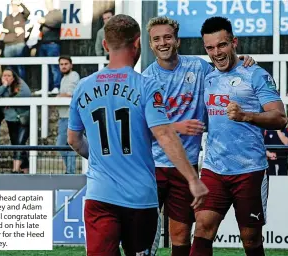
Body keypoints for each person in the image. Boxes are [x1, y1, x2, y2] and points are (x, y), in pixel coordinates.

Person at [67, 14, 208, 256]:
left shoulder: (83, 87)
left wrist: (103, 158)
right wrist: (193, 179)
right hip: (140, 197)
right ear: (138, 44)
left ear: (104, 45)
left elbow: (73, 140)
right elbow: (163, 133)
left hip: (100, 195)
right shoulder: (146, 85)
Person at [143, 16, 255, 256]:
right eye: (156, 39)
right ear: (150, 45)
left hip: (186, 167)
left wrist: (243, 60)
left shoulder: (198, 67)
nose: (163, 43)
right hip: (152, 165)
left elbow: (225, 67)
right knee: (143, 237)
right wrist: (176, 127)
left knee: (181, 235)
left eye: (167, 37)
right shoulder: (145, 79)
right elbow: (140, 127)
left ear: (177, 40)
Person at [190, 16, 286, 256]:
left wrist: (247, 116)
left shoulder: (256, 74)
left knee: (250, 239)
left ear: (234, 42)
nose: (216, 52)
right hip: (214, 169)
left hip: (249, 170)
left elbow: (280, 118)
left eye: (222, 45)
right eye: (210, 47)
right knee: (202, 228)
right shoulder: (207, 77)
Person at [0, 68, 31, 174]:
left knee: (20, 144)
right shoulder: (3, 88)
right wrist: (4, 86)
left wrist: (9, 101)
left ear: (13, 77)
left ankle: (15, 169)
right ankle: (25, 168)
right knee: (16, 145)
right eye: (4, 75)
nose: (6, 78)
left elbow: (27, 94)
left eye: (9, 76)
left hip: (23, 120)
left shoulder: (21, 84)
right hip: (11, 120)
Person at [56, 56, 79, 174]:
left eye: (66, 64)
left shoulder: (74, 75)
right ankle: (70, 171)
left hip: (69, 117)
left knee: (62, 145)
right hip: (63, 116)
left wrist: (58, 97)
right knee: (64, 146)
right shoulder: (64, 78)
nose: (63, 66)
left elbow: (71, 93)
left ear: (71, 65)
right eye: (61, 64)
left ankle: (71, 172)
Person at [36, 0, 63, 94]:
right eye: (46, 3)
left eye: (48, 2)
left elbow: (58, 23)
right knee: (44, 68)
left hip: (52, 44)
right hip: (43, 44)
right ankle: (45, 88)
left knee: (54, 67)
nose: (47, 5)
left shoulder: (57, 13)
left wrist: (45, 21)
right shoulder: (47, 14)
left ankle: (56, 87)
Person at [1, 0, 30, 79]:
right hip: (8, 45)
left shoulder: (22, 16)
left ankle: (21, 86)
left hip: (19, 44)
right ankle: (12, 86)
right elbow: (5, 30)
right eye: (13, 5)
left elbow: (27, 12)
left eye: (16, 5)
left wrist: (20, 3)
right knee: (9, 68)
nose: (14, 7)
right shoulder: (7, 18)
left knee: (20, 67)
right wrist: (15, 31)